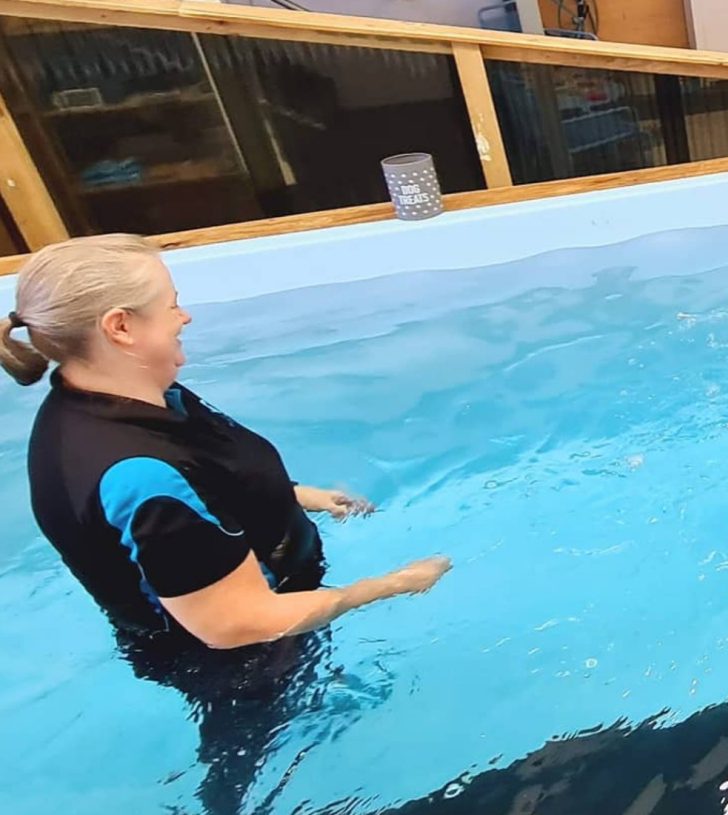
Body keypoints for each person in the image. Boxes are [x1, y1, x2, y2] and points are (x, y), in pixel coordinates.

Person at [0, 234, 454, 811]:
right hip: (245, 663)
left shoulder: (126, 393)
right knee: (248, 776)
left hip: (229, 611)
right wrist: (390, 586)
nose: (183, 314)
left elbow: (205, 474)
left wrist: (299, 496)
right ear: (119, 327)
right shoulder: (136, 473)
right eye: (169, 303)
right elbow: (240, 624)